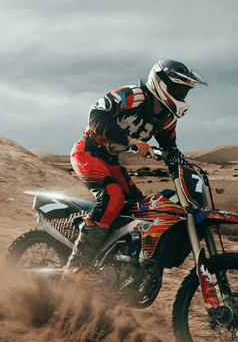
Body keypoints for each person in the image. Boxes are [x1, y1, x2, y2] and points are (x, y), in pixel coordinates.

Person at [62, 59, 207, 282]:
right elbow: (95, 116)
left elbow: (170, 150)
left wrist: (186, 166)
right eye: (178, 89)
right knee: (112, 197)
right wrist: (129, 139)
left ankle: (114, 263)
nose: (181, 95)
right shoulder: (132, 95)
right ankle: (77, 264)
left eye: (184, 91)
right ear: (161, 83)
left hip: (110, 160)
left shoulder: (167, 119)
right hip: (87, 152)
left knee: (138, 208)